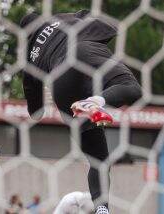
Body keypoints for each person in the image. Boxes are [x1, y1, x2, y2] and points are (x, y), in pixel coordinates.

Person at [20, 10, 141, 214]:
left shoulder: (29, 58)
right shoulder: (63, 17)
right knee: (132, 89)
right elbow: (96, 17)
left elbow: (36, 112)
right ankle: (96, 101)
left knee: (98, 160)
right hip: (85, 52)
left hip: (61, 84)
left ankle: (102, 209)